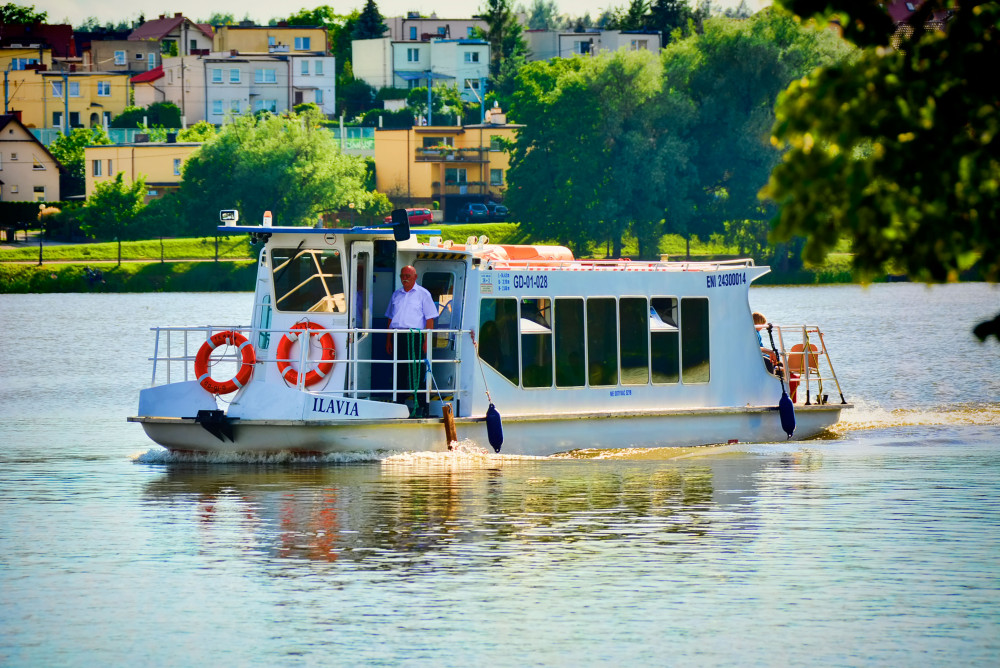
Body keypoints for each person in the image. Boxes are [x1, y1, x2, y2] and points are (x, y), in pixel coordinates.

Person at [385, 265, 437, 417]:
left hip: (415, 337)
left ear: (415, 277)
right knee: (399, 372)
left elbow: (430, 319)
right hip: (398, 336)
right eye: (403, 275)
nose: (405, 278)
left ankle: (422, 407)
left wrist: (426, 341)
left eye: (408, 275)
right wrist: (389, 340)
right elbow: (390, 318)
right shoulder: (396, 295)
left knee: (417, 373)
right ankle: (398, 405)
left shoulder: (423, 294)